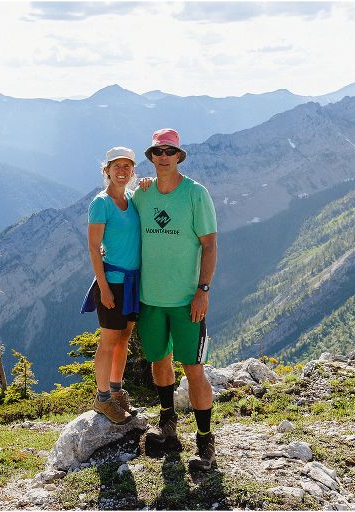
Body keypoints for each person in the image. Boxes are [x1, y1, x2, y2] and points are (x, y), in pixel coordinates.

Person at [132, 128, 218, 471]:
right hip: (150, 299)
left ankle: (205, 442)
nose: (163, 156)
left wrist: (203, 290)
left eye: (169, 151)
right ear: (151, 157)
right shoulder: (143, 195)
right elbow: (119, 210)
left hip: (187, 300)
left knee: (193, 369)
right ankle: (168, 426)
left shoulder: (196, 194)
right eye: (157, 151)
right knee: (159, 361)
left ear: (178, 156)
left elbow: (210, 244)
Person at [81, 146, 141, 424]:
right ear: (106, 171)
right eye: (116, 166)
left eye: (127, 166)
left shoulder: (132, 199)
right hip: (113, 283)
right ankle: (102, 398)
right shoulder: (101, 203)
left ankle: (117, 391)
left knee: (124, 338)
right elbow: (94, 248)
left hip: (131, 283)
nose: (122, 171)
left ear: (132, 171)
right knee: (108, 342)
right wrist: (103, 288)